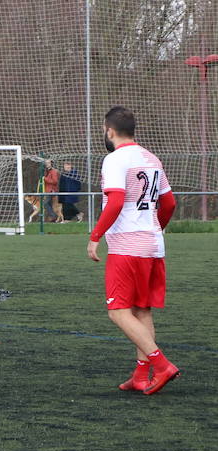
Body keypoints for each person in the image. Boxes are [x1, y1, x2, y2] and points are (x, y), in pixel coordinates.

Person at [87, 106, 181, 395]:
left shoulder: (115, 159)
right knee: (141, 310)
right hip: (153, 245)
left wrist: (95, 236)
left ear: (110, 131)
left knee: (117, 312)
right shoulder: (151, 158)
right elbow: (169, 204)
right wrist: (155, 227)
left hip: (127, 246)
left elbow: (115, 200)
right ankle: (141, 375)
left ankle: (162, 364)